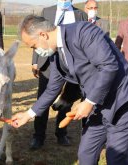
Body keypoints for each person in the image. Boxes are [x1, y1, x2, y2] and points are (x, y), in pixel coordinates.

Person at [12, 15, 128, 165]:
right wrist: (28, 114)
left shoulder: (84, 32)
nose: (36, 52)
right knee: (86, 154)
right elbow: (52, 89)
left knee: (116, 158)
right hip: (98, 107)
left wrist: (89, 102)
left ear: (43, 35)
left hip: (123, 103)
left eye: (34, 46)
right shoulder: (56, 55)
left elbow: (109, 66)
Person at [30, 0, 88, 150]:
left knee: (66, 100)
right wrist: (35, 61)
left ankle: (61, 133)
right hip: (48, 63)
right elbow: (37, 36)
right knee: (44, 97)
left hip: (71, 65)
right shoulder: (46, 11)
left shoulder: (80, 14)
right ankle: (38, 136)